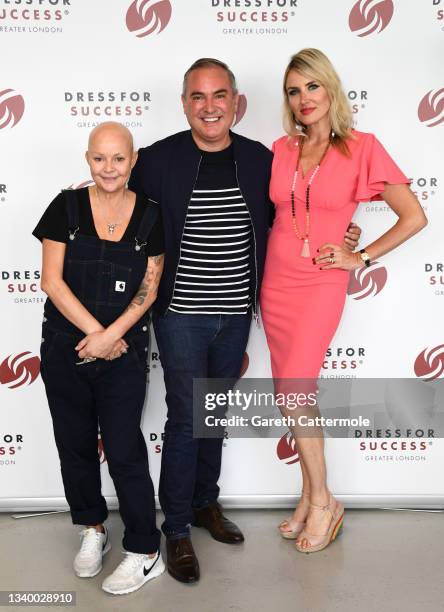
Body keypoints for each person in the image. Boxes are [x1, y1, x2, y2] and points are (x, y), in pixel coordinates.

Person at [128, 58, 361, 582]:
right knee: (187, 417)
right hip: (182, 313)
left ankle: (206, 504)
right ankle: (178, 529)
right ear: (185, 103)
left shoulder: (262, 159)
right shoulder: (157, 159)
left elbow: (299, 208)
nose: (209, 107)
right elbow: (116, 199)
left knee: (213, 412)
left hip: (236, 312)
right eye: (197, 97)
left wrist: (347, 236)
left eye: (219, 96)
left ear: (236, 101)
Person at [260, 48, 427, 553]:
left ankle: (324, 502)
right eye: (294, 90)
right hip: (275, 279)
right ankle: (311, 496)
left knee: (296, 391)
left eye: (312, 86)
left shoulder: (362, 147)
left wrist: (362, 255)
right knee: (289, 394)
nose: (304, 98)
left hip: (319, 282)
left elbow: (413, 216)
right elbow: (290, 209)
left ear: (330, 88)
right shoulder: (280, 148)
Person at [33, 122, 165, 594]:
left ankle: (146, 550)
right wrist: (98, 334)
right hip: (67, 348)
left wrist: (112, 337)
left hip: (123, 350)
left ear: (132, 161)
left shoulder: (150, 214)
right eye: (99, 159)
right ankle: (92, 529)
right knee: (75, 445)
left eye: (119, 159)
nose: (109, 168)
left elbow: (149, 287)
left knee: (125, 450)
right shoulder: (64, 207)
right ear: (88, 159)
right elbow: (52, 282)